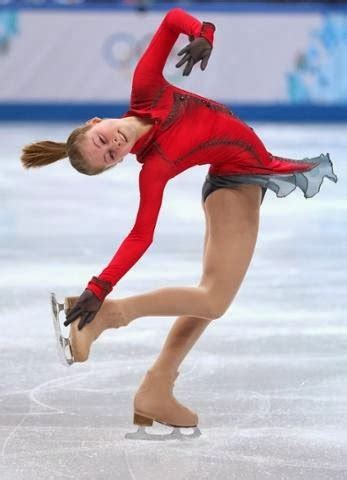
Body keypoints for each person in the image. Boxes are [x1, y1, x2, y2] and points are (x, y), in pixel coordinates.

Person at [20, 7, 338, 439]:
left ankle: (157, 388)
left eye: (102, 140)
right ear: (117, 165)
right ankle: (106, 318)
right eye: (109, 156)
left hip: (245, 177)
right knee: (213, 300)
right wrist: (99, 289)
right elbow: (141, 234)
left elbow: (171, 19)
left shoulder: (147, 88)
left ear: (97, 122)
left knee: (210, 298)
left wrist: (204, 33)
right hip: (234, 183)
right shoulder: (153, 168)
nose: (112, 145)